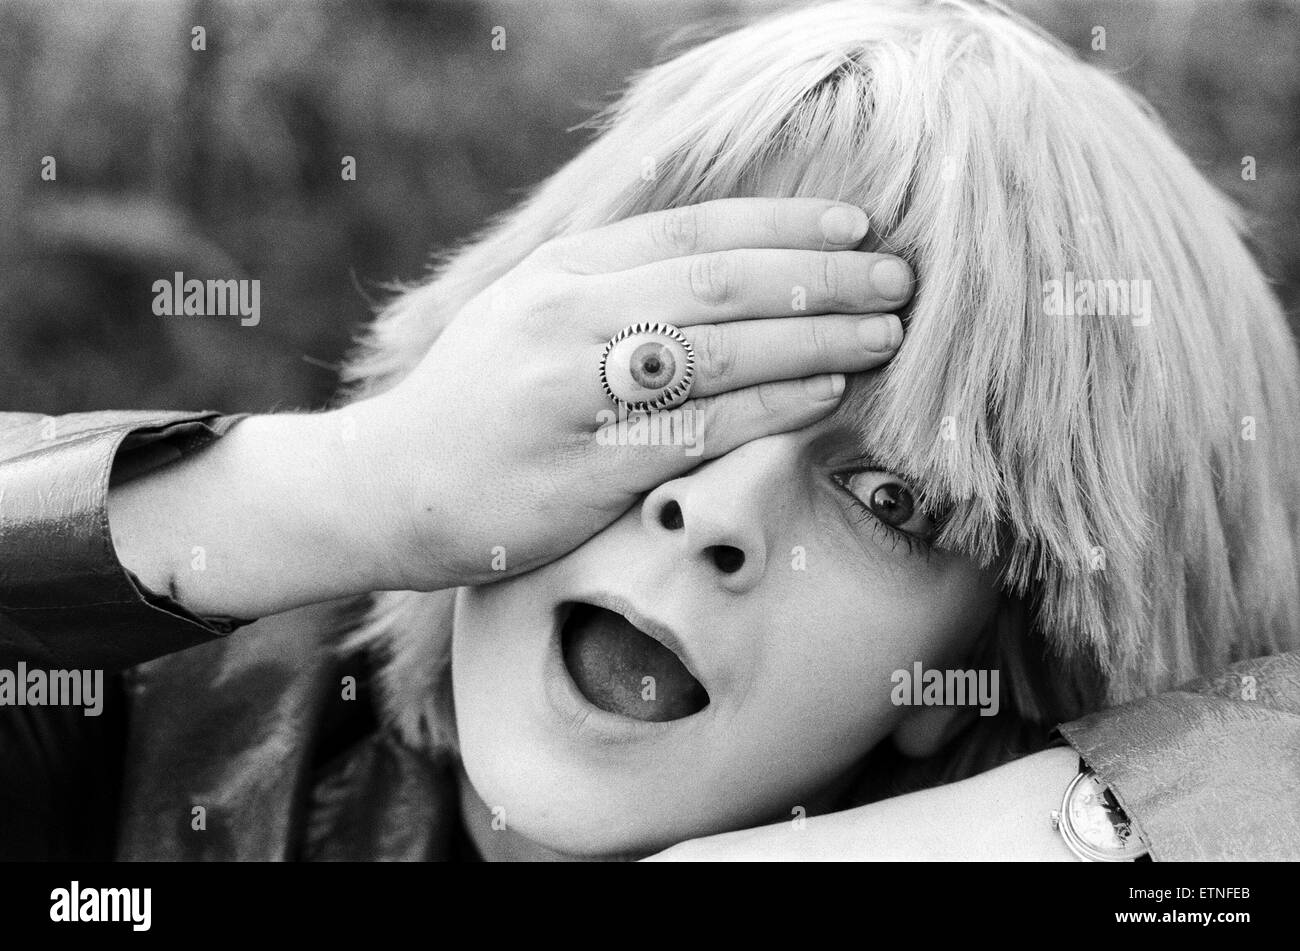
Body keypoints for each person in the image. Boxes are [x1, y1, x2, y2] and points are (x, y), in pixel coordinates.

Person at [2, 0, 1298, 861]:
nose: (719, 512)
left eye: (894, 502)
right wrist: (354, 488)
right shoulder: (137, 726)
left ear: (968, 678)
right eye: (668, 370)